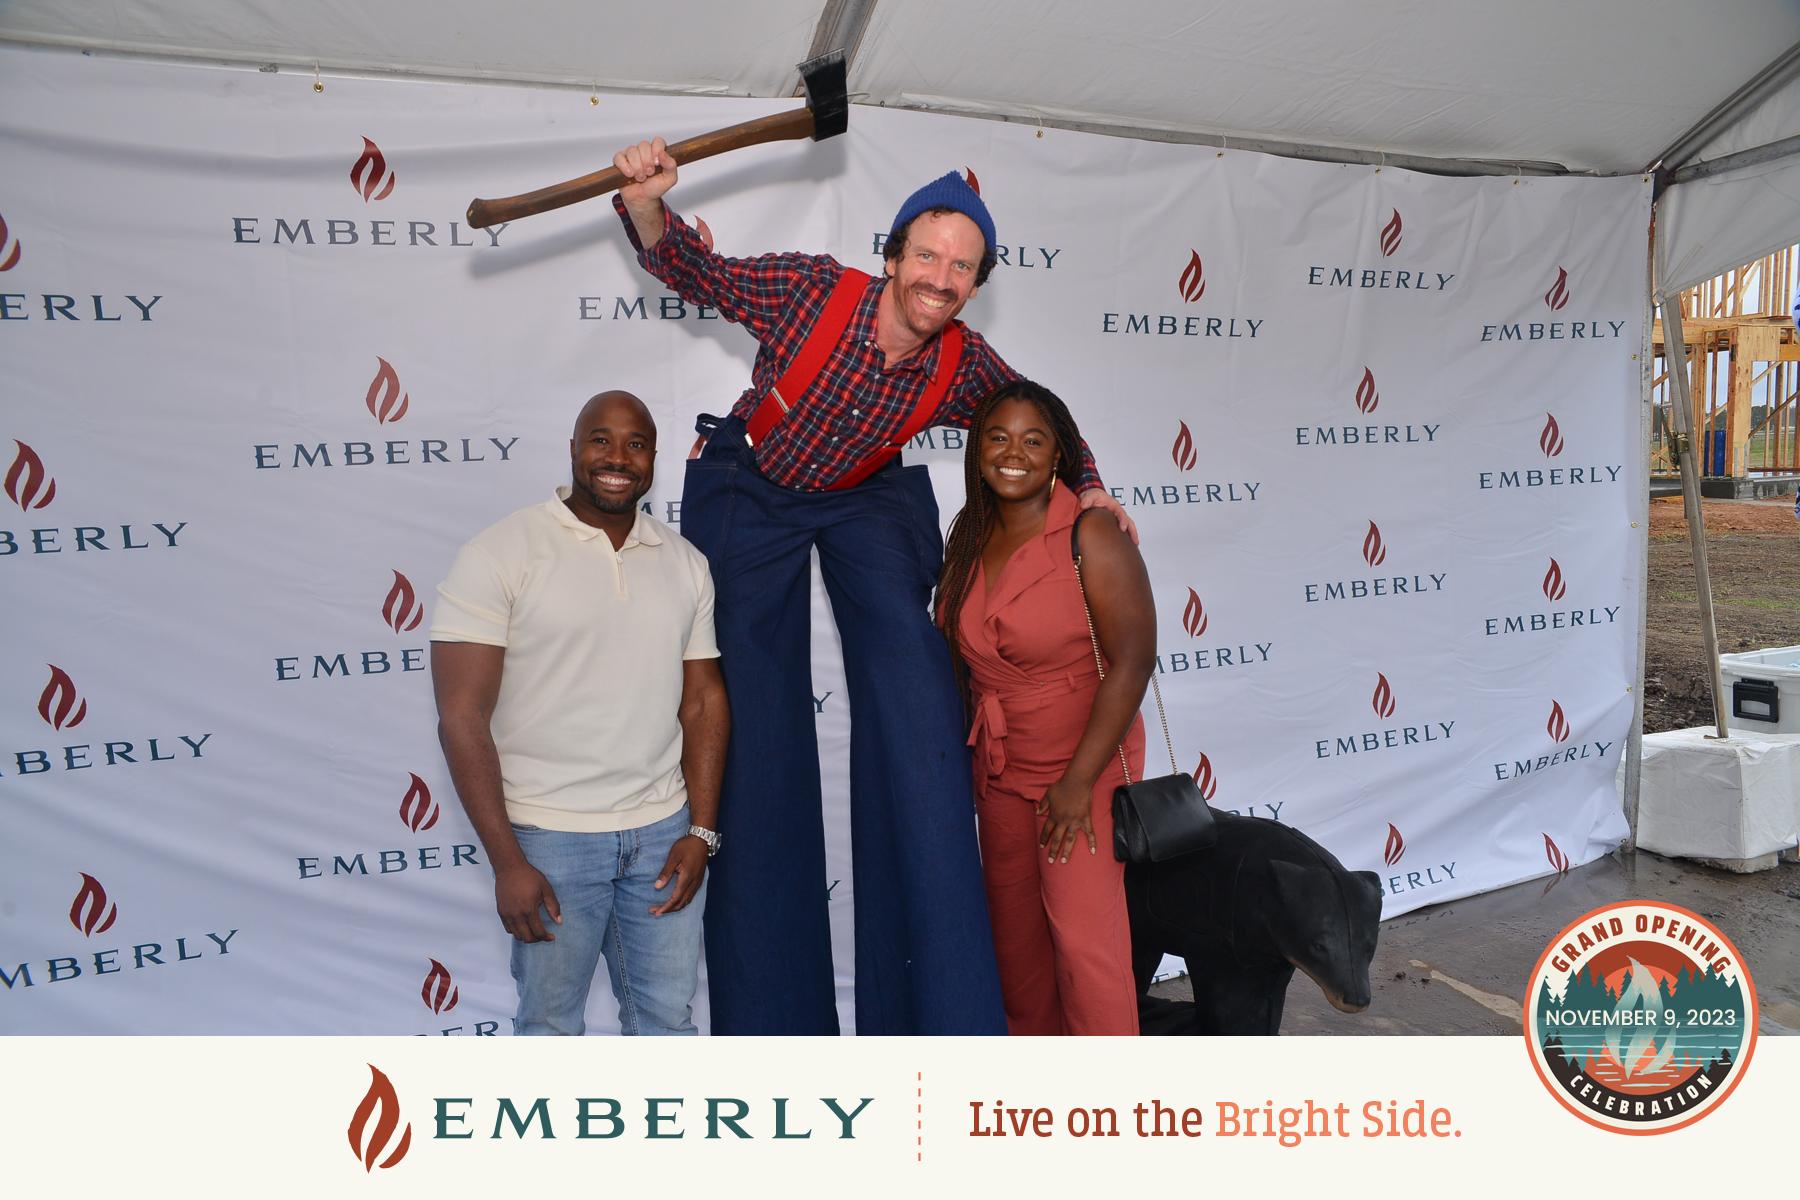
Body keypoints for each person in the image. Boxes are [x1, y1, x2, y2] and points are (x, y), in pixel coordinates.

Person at [609, 137, 1136, 1034]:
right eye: (926, 255)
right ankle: (781, 1028)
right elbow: (697, 273)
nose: (940, 277)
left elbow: (1038, 413)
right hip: (758, 484)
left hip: (864, 499)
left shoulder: (964, 361)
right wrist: (651, 204)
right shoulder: (813, 291)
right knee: (754, 729)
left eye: (961, 267)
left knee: (919, 702)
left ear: (976, 284)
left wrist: (1086, 482)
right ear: (891, 256)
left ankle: (940, 1020)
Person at [429, 390, 728, 1036]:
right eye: (601, 440)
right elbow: (461, 716)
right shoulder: (500, 553)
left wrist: (701, 831)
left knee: (667, 1024)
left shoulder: (685, 563)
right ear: (573, 450)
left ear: (653, 460)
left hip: (661, 835)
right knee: (550, 1029)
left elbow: (703, 700)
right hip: (549, 838)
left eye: (636, 444)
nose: (618, 458)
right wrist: (510, 861)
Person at [937, 380, 1155, 1035]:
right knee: (1017, 946)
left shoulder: (1091, 532)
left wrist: (1077, 784)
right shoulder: (969, 537)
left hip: (1084, 761)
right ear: (977, 451)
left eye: (1034, 440)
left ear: (1059, 454)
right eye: (998, 438)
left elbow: (1133, 661)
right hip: (1001, 769)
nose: (1015, 453)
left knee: (1087, 952)